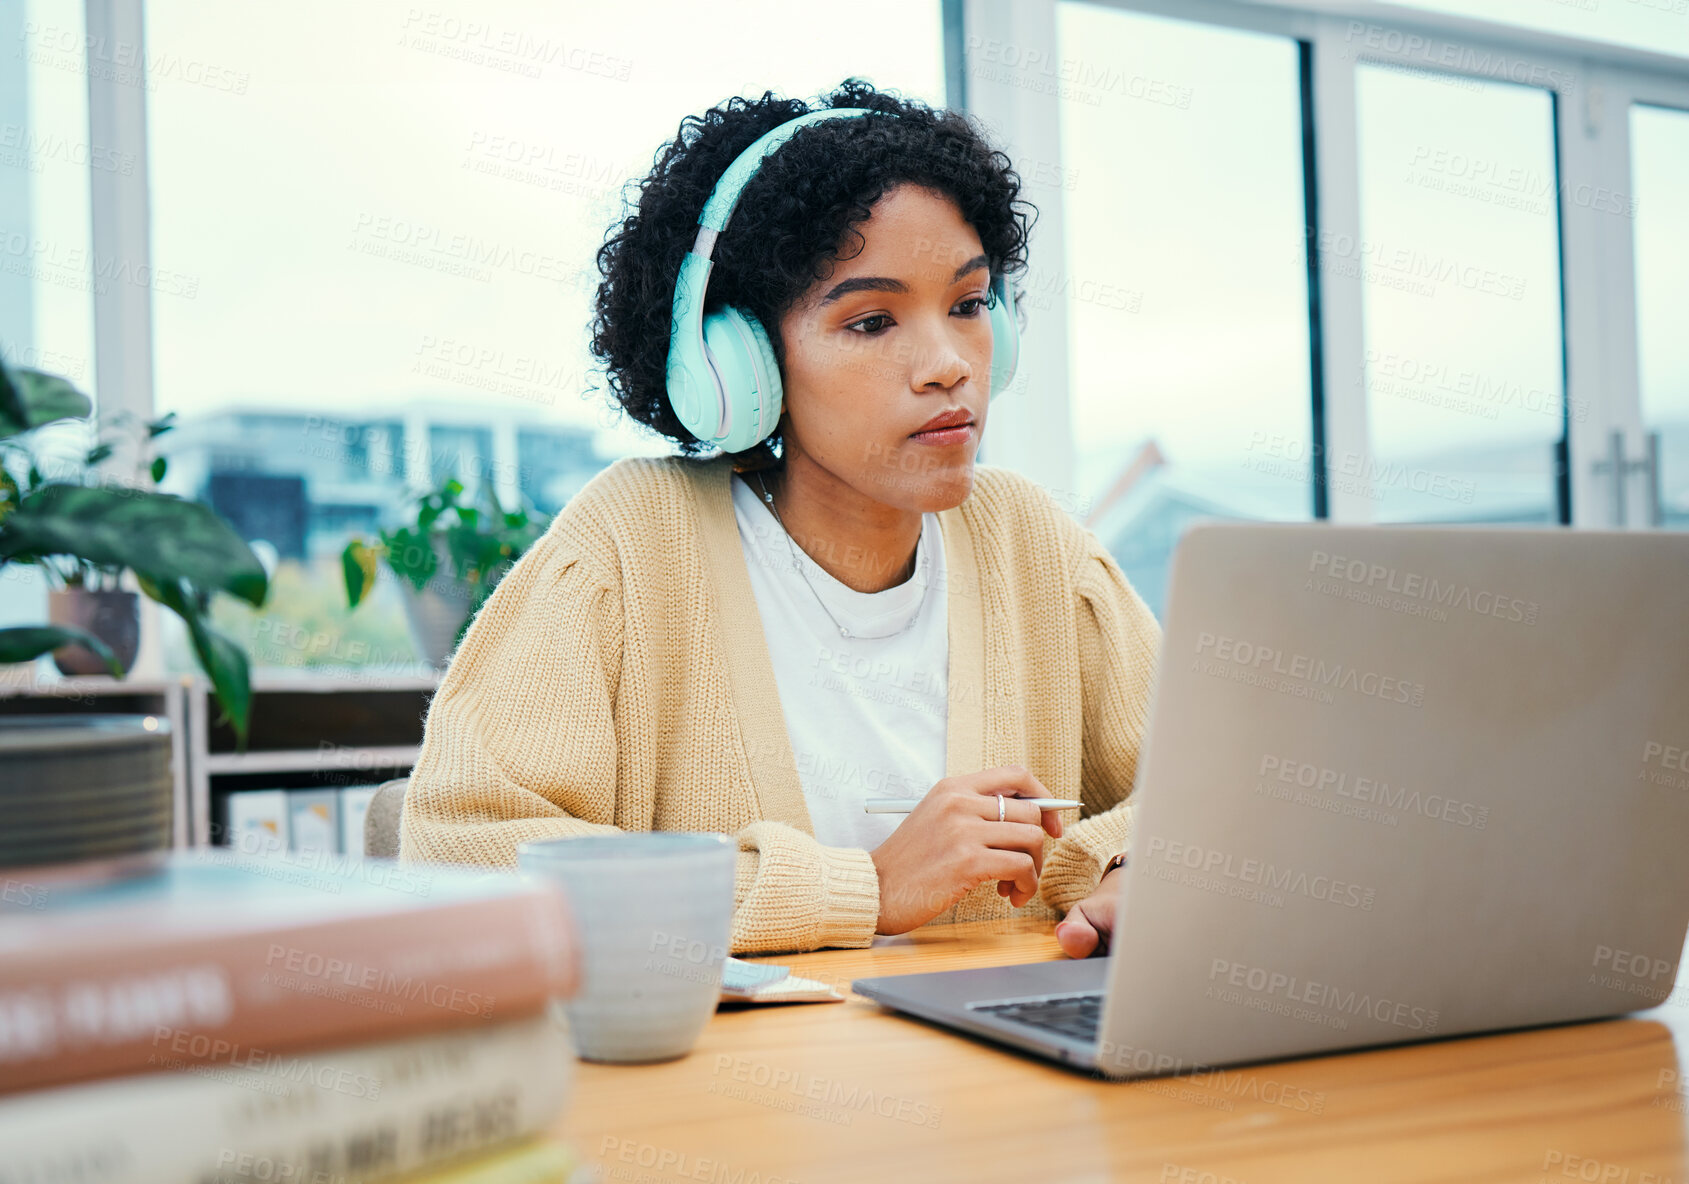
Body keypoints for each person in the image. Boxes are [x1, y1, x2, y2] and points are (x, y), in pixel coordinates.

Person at [399, 79, 1161, 959]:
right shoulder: (632, 543)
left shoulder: (1032, 541)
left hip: (1002, 1075)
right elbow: (465, 857)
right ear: (740, 364)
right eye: (872, 321)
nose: (950, 363)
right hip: (727, 1089)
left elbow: (1218, 790)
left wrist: (1116, 866)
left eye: (968, 304)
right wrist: (863, 888)